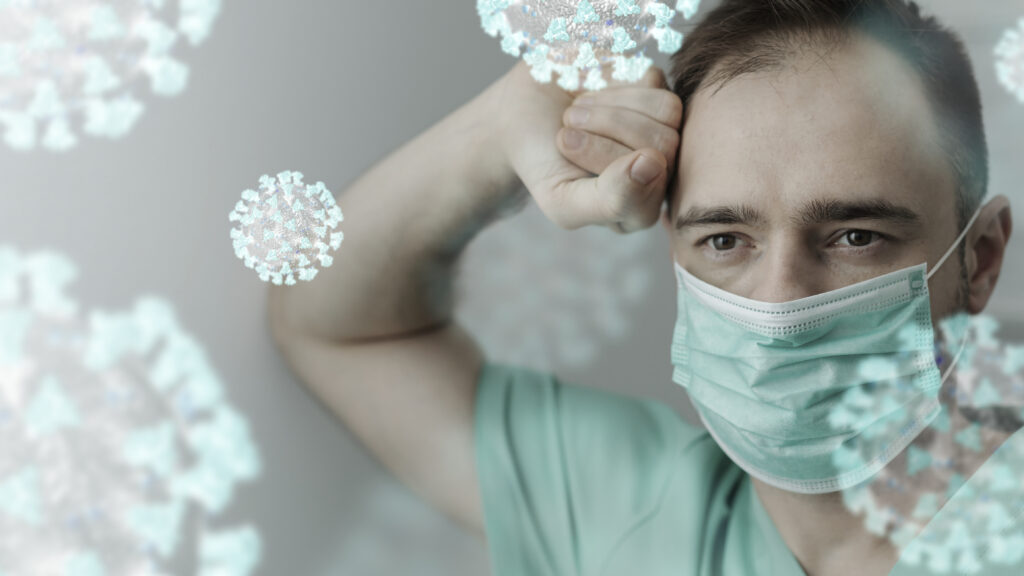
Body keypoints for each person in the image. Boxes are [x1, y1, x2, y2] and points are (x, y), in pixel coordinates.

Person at [265, 1, 1016, 574]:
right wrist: (503, 129)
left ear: (979, 259)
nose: (780, 304)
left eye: (855, 237)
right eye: (725, 240)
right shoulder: (633, 514)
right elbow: (333, 320)